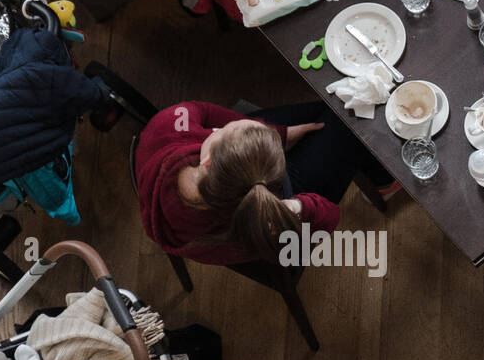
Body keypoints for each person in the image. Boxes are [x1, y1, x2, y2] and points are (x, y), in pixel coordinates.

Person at [134, 99, 396, 268]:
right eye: (229, 128)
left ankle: (377, 173)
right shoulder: (257, 226)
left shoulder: (168, 127)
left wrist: (278, 135)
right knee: (352, 114)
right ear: (210, 162)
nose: (232, 124)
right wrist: (294, 206)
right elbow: (328, 217)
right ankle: (383, 180)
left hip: (256, 193)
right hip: (289, 197)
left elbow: (201, 109)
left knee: (329, 112)